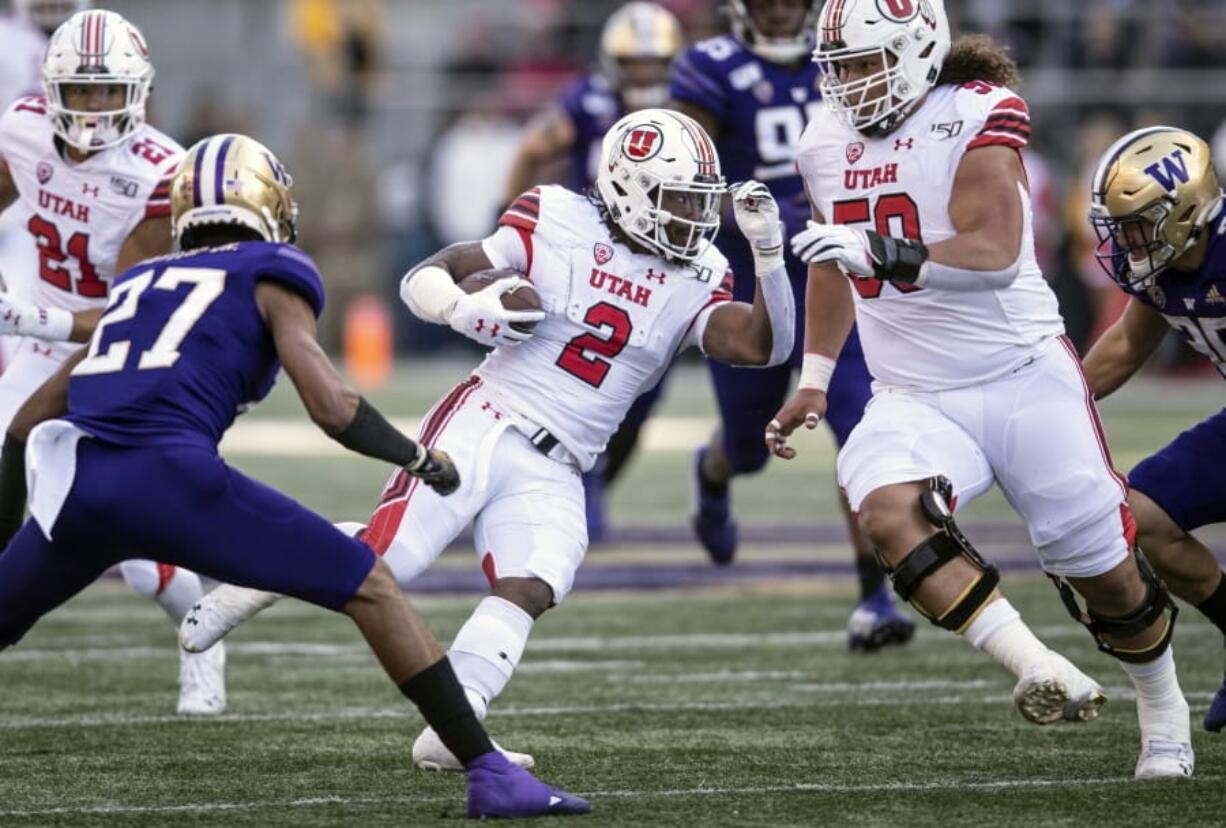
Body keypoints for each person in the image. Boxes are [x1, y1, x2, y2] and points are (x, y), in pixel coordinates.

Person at [179, 108, 796, 772]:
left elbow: (766, 346)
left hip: (564, 461)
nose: (693, 217)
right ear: (627, 187)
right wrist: (467, 308)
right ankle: (257, 576)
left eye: (700, 202)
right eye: (678, 199)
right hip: (489, 417)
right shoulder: (558, 217)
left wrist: (769, 256)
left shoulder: (701, 268)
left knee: (532, 582)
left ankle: (456, 722)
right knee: (390, 566)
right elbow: (425, 277)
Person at [0, 132, 589, 819]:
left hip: (79, 483)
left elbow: (27, 422)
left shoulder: (139, 282)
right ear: (270, 202)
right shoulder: (273, 268)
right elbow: (332, 407)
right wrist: (417, 458)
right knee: (370, 586)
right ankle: (488, 770)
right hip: (171, 478)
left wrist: (11, 533)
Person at [772, 0, 1193, 778]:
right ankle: (1037, 665)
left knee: (1107, 574)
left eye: (865, 63)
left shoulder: (974, 111)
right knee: (887, 513)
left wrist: (876, 249)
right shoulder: (822, 141)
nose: (850, 85)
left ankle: (1164, 708)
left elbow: (995, 251)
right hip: (913, 390)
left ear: (917, 46)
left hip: (1021, 377)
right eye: (839, 68)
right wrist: (817, 379)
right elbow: (831, 260)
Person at [0, 8, 225, 714]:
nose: (94, 108)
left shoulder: (158, 174)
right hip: (39, 346)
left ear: (138, 91)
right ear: (52, 88)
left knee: (134, 559)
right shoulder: (22, 125)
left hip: (124, 353)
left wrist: (29, 314)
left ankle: (205, 636)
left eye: (108, 92)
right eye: (81, 91)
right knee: (13, 456)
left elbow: (130, 313)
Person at [669, 0, 910, 651]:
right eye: (767, 1)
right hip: (758, 273)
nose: (779, 13)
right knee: (747, 448)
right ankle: (712, 472)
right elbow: (685, 173)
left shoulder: (843, 51)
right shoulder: (710, 66)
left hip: (835, 265)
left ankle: (873, 598)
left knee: (859, 427)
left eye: (790, 1)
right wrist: (755, 216)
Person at [502, 0, 685, 541]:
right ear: (613, 63)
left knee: (644, 388)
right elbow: (533, 147)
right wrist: (511, 209)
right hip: (593, 248)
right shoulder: (589, 100)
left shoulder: (695, 103)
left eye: (655, 63)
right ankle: (533, 481)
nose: (645, 74)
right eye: (635, 63)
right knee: (553, 367)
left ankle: (594, 481)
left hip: (663, 258)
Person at [1081, 125, 1226, 733]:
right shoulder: (1164, 268)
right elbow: (1123, 347)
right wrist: (1053, 406)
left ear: (1183, 210)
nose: (1126, 239)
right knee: (1144, 515)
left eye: (1137, 223)